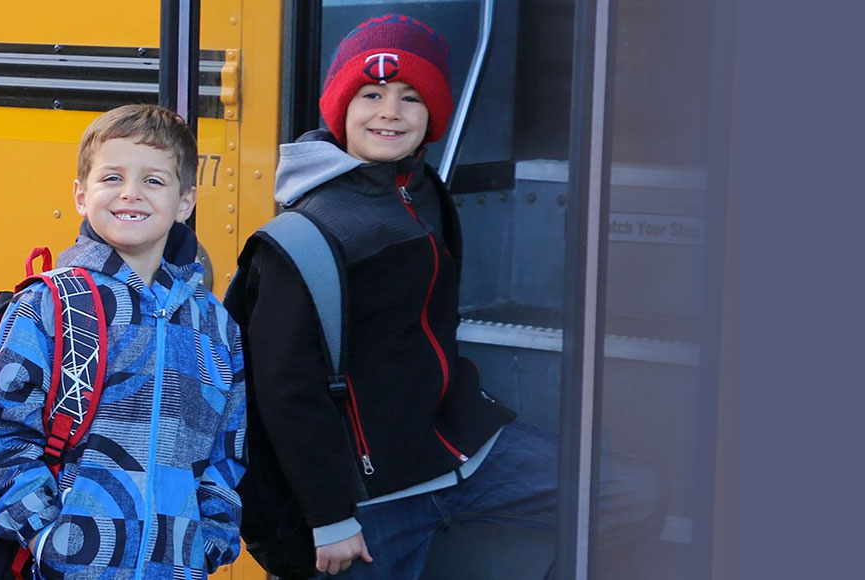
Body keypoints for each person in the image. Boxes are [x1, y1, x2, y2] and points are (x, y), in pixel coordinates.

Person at [224, 14, 670, 579]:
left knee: (633, 494)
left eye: (411, 97)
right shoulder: (302, 238)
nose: (390, 111)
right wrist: (330, 516)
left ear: (433, 114)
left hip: (462, 447)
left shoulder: (424, 192)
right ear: (339, 108)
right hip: (368, 496)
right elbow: (285, 393)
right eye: (371, 94)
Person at [0, 104, 248, 579]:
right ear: (80, 194)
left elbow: (226, 453)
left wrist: (208, 543)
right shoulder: (53, 304)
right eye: (111, 178)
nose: (130, 193)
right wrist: (49, 536)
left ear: (186, 202)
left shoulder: (215, 325)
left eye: (153, 181)